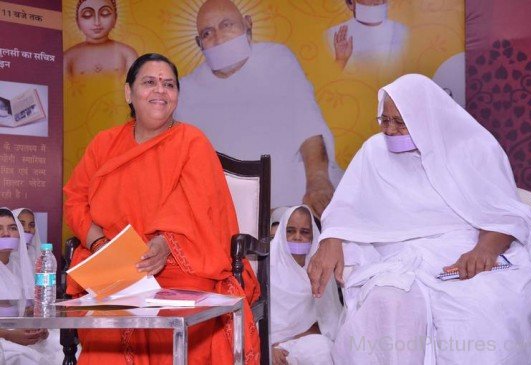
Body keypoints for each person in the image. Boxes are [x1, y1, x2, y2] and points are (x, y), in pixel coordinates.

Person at [307, 74, 531, 364]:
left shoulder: (473, 148)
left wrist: (485, 249)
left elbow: (503, 215)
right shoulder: (374, 152)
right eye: (384, 121)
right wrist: (331, 238)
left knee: (480, 312)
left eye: (400, 121)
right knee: (389, 303)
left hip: (464, 253)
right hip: (398, 258)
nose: (391, 130)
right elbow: (346, 207)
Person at [63, 53, 261, 364]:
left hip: (179, 265)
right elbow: (75, 200)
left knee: (183, 318)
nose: (160, 91)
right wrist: (101, 245)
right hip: (115, 269)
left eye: (169, 84)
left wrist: (165, 244)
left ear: (177, 96)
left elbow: (200, 208)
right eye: (150, 82)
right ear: (129, 92)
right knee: (107, 328)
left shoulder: (192, 142)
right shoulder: (104, 144)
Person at [175, 0, 342, 217]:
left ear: (248, 24)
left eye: (227, 25)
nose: (218, 39)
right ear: (199, 43)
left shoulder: (278, 59)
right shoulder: (186, 90)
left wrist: (318, 180)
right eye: (208, 33)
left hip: (300, 196)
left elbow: (308, 124)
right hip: (230, 213)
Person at [271, 205, 341, 365]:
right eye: (290, 231)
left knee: (321, 350)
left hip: (311, 346)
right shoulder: (266, 270)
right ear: (282, 233)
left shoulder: (320, 272)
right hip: (272, 349)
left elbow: (329, 321)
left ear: (312, 237)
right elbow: (253, 317)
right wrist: (267, 347)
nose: (297, 237)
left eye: (304, 232)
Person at [0, 208, 63, 365]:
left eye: (12, 228)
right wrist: (8, 335)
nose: (6, 233)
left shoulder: (20, 266)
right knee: (24, 358)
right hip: (4, 339)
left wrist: (38, 328)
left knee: (63, 347)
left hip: (20, 333)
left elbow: (27, 309)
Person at [327, 0, 408, 71]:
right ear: (350, 3)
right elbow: (328, 79)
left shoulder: (402, 32)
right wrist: (341, 60)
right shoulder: (330, 36)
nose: (379, 2)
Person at [64, 0, 138, 77]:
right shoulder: (68, 57)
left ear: (115, 18)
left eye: (105, 13)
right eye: (87, 15)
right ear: (77, 21)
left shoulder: (127, 53)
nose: (97, 22)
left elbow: (133, 86)